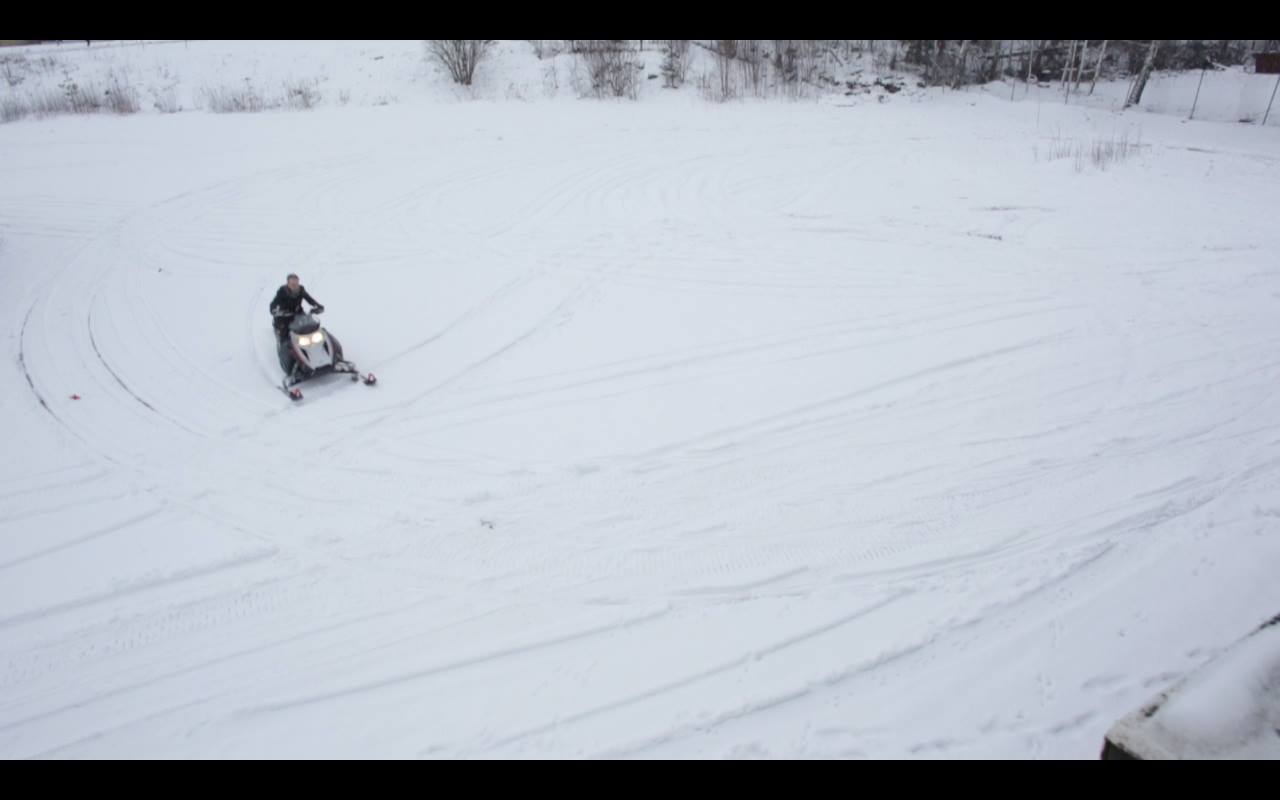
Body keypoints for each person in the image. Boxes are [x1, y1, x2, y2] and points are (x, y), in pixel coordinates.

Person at [269, 273, 323, 342]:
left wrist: (318, 306)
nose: (295, 286)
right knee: (284, 334)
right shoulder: (282, 292)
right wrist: (275, 311)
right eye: (292, 284)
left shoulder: (301, 290)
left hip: (298, 313)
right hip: (284, 315)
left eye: (296, 283)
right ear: (288, 284)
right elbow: (274, 303)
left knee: (311, 325)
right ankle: (283, 346)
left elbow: (310, 299)